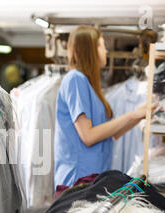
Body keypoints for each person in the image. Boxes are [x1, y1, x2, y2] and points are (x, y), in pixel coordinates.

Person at [54, 25, 157, 188]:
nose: (106, 52)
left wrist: (139, 114)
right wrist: (132, 116)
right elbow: (88, 136)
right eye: (102, 46)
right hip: (77, 181)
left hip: (92, 179)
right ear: (90, 50)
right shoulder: (75, 80)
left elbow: (112, 134)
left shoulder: (89, 86)